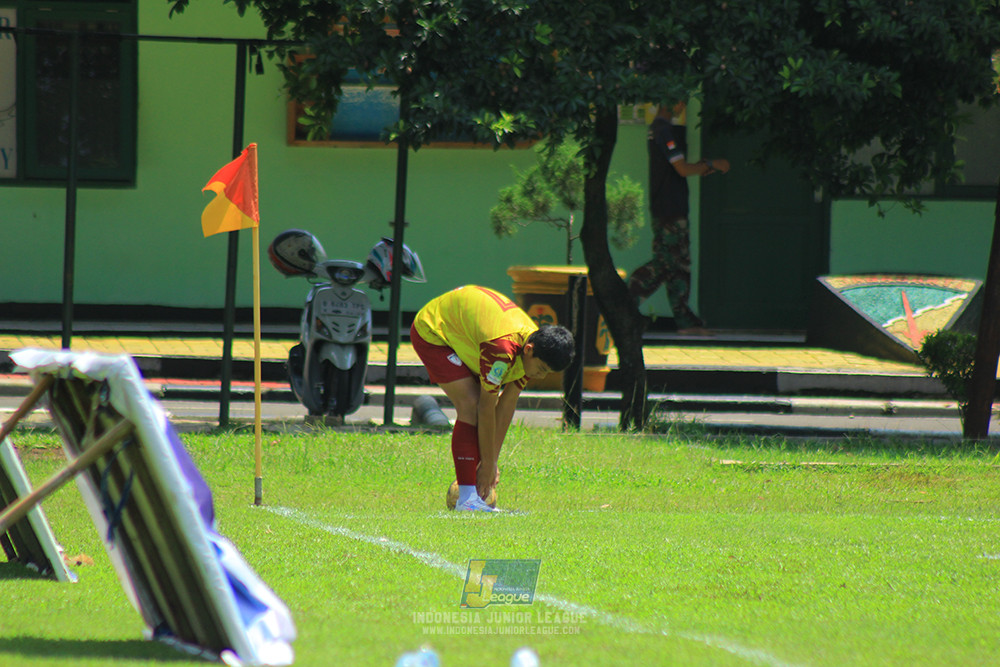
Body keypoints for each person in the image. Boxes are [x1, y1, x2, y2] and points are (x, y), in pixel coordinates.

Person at [410, 285, 575, 512]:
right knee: (471, 405)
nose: (540, 376)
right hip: (434, 331)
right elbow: (486, 408)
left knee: (477, 406)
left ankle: (471, 494)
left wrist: (492, 461)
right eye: (542, 368)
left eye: (548, 372)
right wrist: (487, 464)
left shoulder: (534, 348)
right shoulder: (502, 350)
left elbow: (507, 404)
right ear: (528, 350)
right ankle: (467, 500)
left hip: (467, 334)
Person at [629, 101, 730, 335]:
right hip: (669, 208)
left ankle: (685, 322)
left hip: (669, 206)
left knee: (677, 265)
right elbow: (682, 169)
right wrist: (711, 164)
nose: (682, 105)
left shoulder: (659, 128)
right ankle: (625, 302)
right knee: (668, 263)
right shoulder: (664, 130)